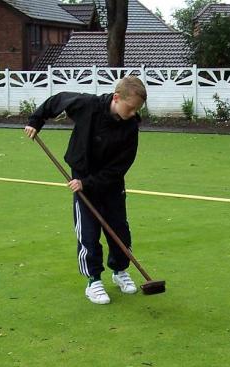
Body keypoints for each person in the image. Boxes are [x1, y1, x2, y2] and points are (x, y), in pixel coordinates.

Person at [24, 76, 147, 305]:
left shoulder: (130, 126)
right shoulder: (88, 105)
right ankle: (93, 280)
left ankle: (120, 271)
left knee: (119, 229)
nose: (133, 114)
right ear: (116, 97)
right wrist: (35, 121)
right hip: (81, 175)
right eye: (130, 108)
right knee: (88, 231)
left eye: (136, 110)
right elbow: (57, 100)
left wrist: (90, 183)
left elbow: (120, 166)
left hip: (110, 182)